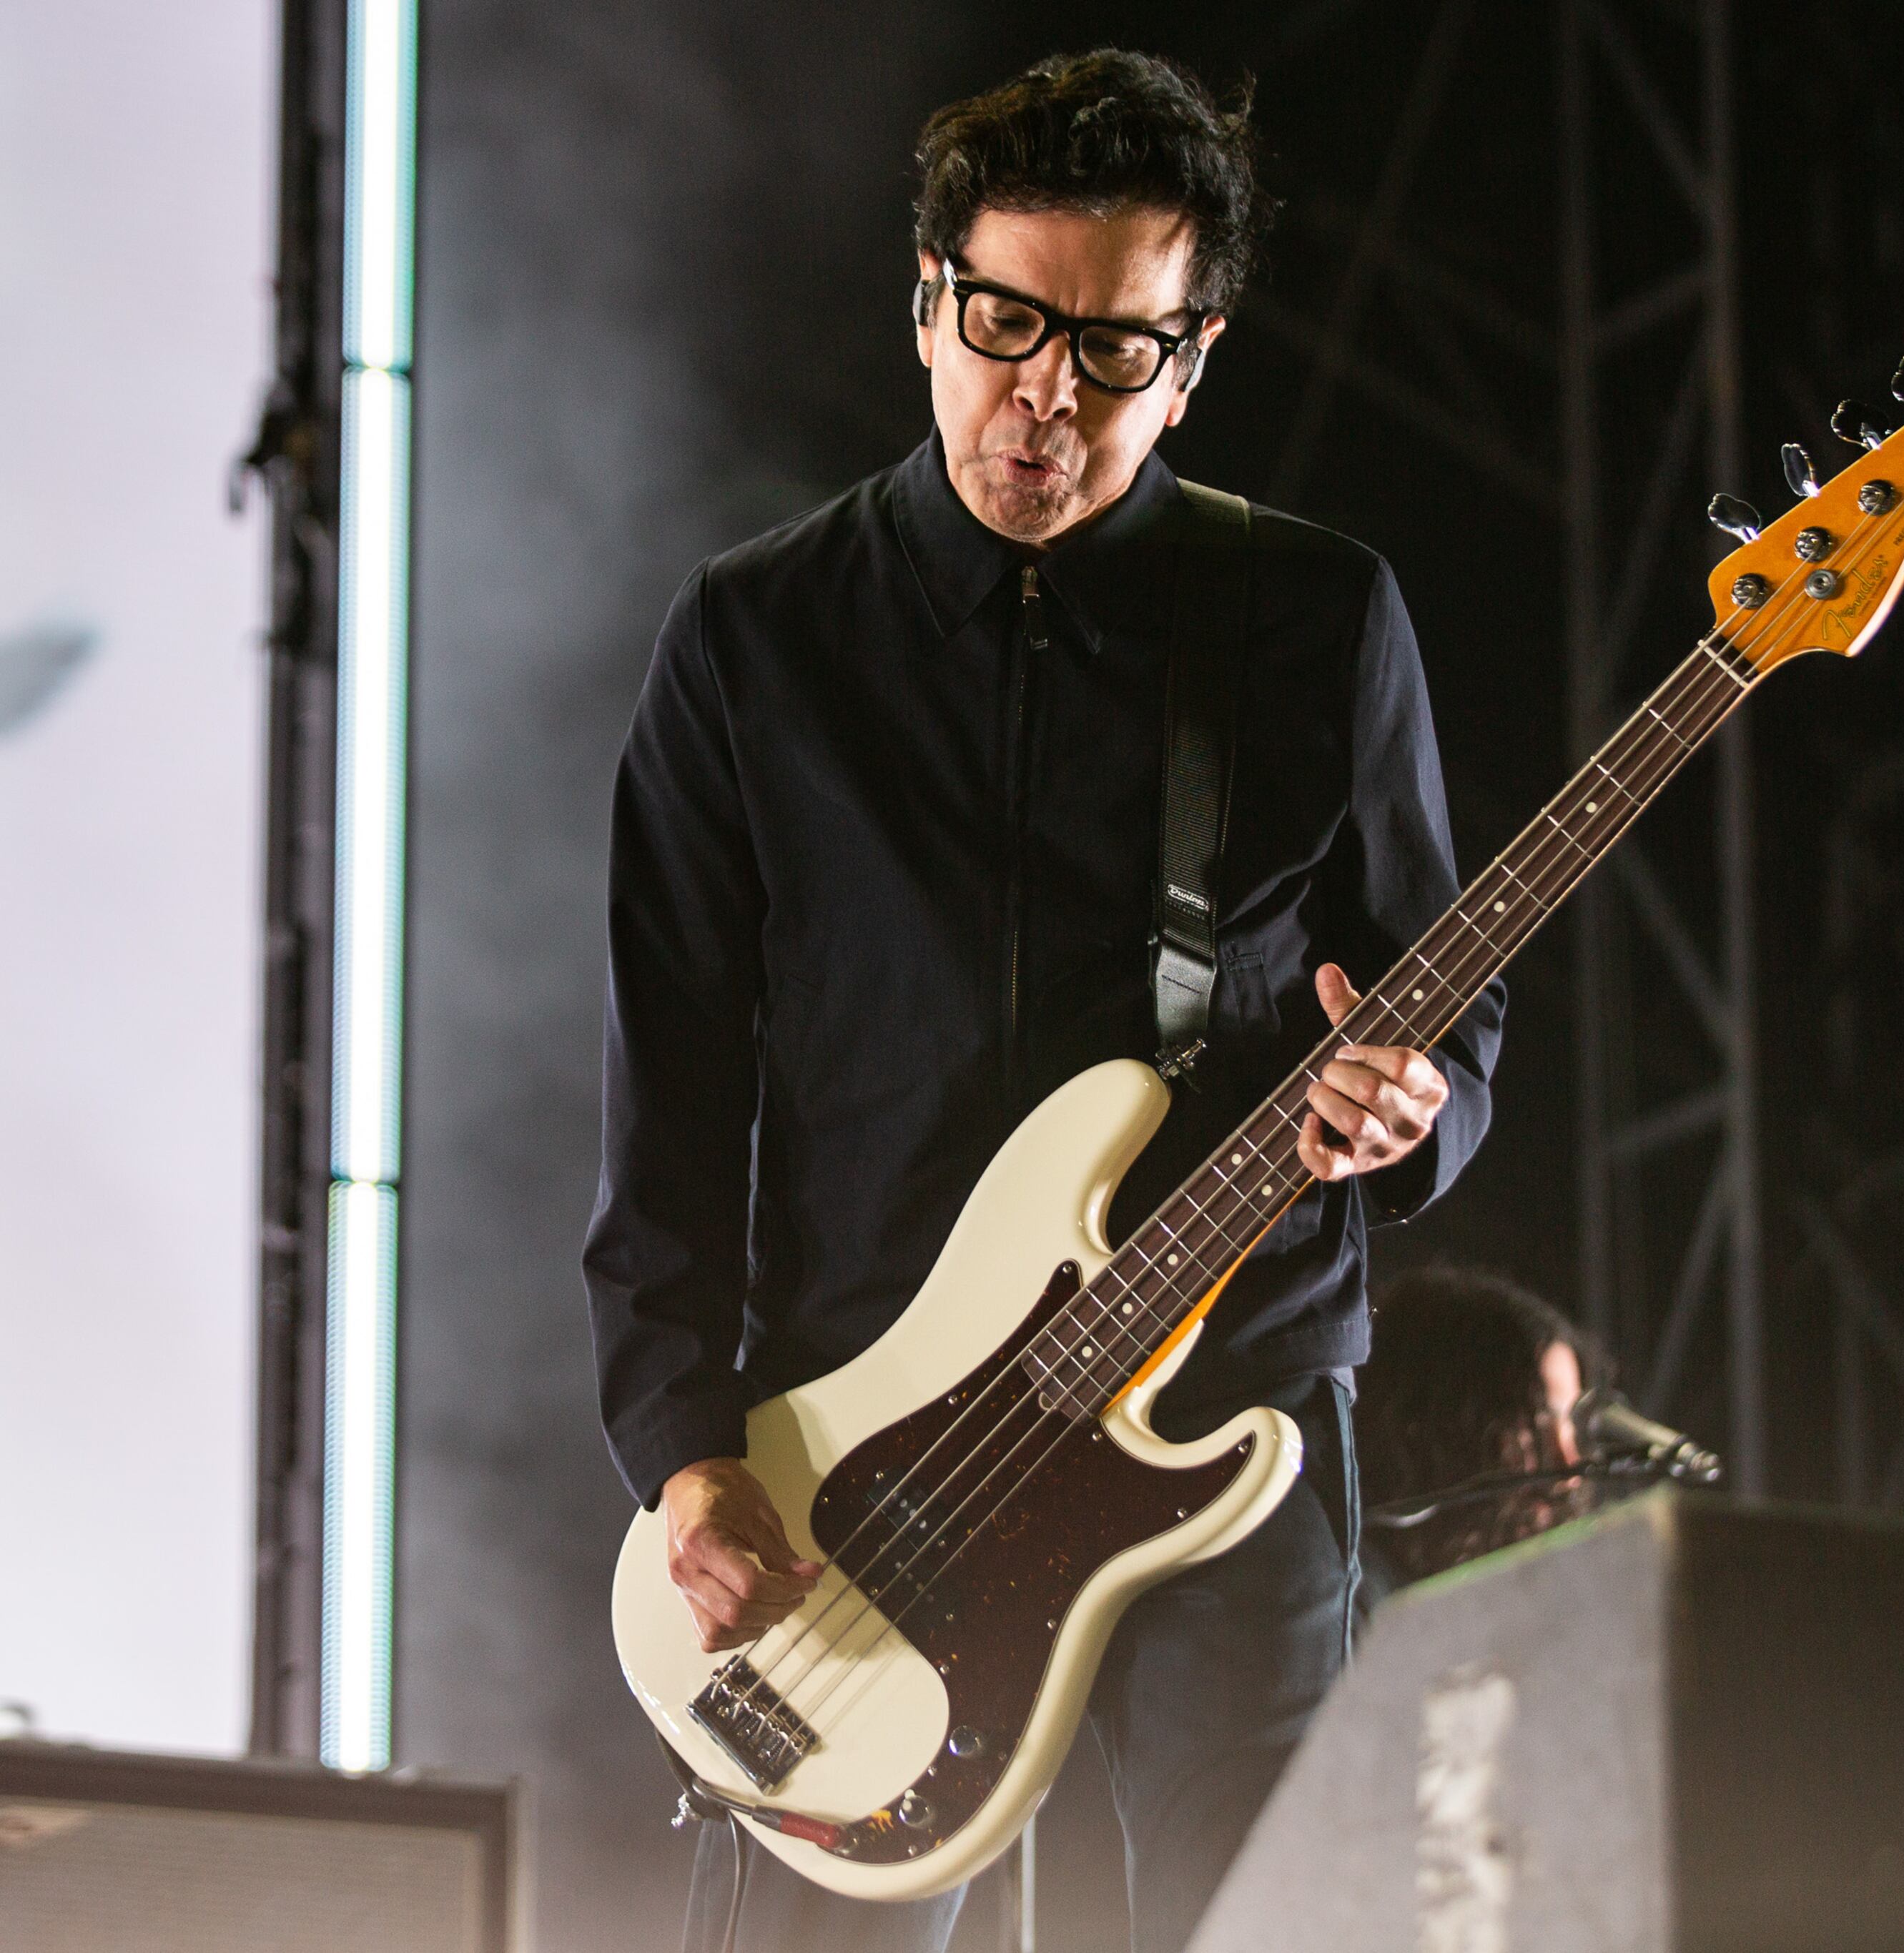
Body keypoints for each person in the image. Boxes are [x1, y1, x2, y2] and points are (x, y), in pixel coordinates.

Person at [579, 51, 1503, 1953]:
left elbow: (1446, 1019)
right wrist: (686, 1448)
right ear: (927, 299)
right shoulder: (755, 643)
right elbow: (667, 1110)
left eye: (1116, 349)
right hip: (867, 1467)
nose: (1047, 395)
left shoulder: (1316, 616)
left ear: (1200, 354)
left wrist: (1416, 1110)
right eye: (1007, 323)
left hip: (1224, 1417)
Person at [1352, 1266, 1594, 1623]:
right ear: (1446, 1421)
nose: (1568, 1468)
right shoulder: (1350, 1603)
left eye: (1570, 1424)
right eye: (1537, 1423)